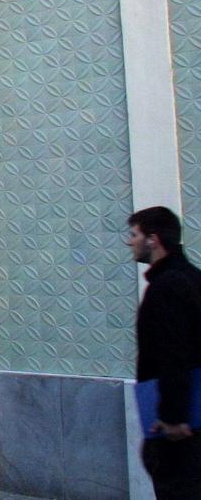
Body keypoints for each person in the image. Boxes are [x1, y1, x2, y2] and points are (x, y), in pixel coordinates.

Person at [127, 206, 201, 499]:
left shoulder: (166, 287)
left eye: (133, 234)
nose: (128, 241)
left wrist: (172, 416)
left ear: (153, 239)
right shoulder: (192, 277)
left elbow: (173, 354)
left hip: (182, 426)